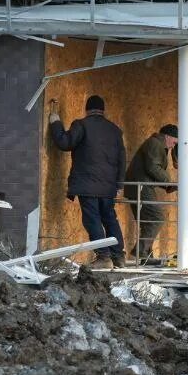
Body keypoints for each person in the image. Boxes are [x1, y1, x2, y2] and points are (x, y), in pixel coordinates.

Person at [48, 95, 127, 269]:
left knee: (92, 220)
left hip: (87, 184)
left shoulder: (82, 125)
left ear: (87, 109)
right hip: (108, 187)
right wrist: (119, 185)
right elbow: (122, 160)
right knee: (109, 218)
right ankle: (118, 256)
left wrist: (55, 122)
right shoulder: (115, 130)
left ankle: (103, 257)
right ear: (103, 110)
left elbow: (64, 142)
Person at [126, 125, 178, 260]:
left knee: (147, 222)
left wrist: (167, 186)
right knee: (157, 218)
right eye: (174, 142)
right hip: (141, 187)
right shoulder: (155, 144)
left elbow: (151, 168)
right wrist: (168, 183)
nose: (173, 146)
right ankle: (140, 251)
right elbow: (153, 167)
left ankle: (146, 257)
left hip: (140, 186)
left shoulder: (155, 143)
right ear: (167, 136)